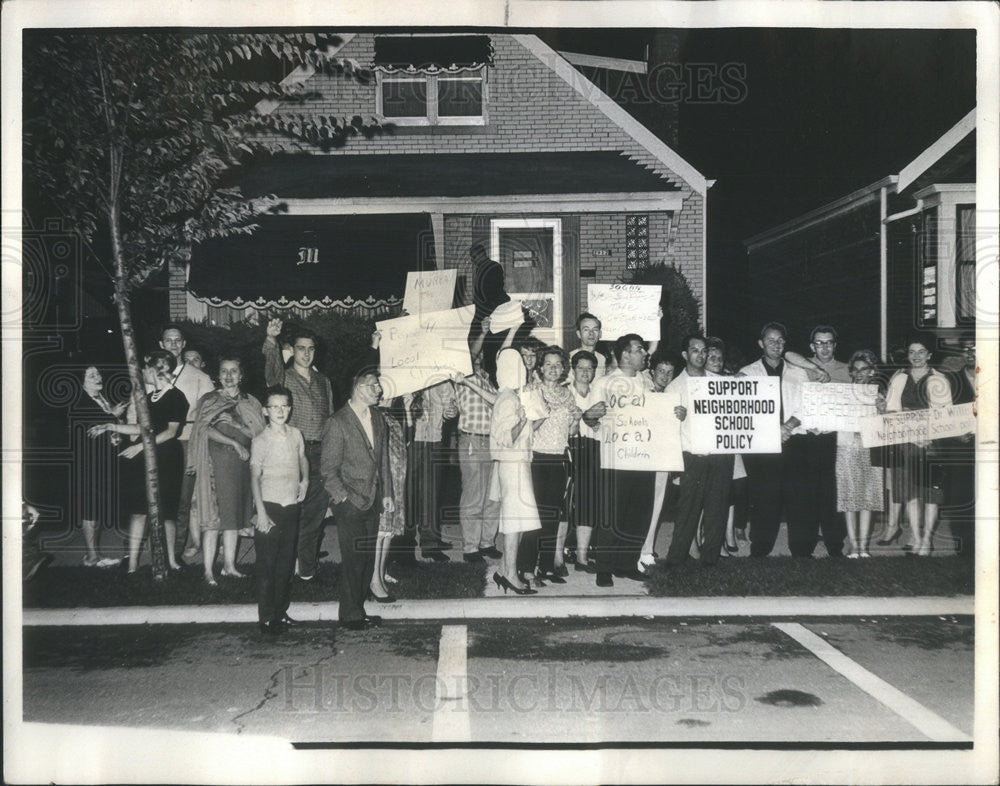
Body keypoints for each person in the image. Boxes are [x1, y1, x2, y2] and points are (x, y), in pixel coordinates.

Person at [89, 350, 188, 574]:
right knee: (138, 510)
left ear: (156, 369)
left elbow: (170, 432)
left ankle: (170, 560)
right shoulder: (150, 397)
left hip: (167, 458)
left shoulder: (176, 396)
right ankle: (132, 563)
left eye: (145, 368)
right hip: (146, 454)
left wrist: (140, 446)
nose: (142, 372)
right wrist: (110, 426)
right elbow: (142, 429)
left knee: (167, 512)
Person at [321, 366, 394, 630]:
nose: (379, 390)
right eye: (373, 386)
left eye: (378, 386)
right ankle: (350, 615)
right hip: (350, 502)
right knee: (353, 560)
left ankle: (357, 610)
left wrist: (386, 494)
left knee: (365, 558)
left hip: (373, 498)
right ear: (358, 388)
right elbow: (328, 470)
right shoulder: (338, 421)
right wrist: (342, 499)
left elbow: (382, 459)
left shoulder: (377, 418)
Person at [262, 318, 333, 581]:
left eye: (311, 348)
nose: (306, 353)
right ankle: (285, 564)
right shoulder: (284, 378)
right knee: (290, 510)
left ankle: (307, 569)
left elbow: (331, 419)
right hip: (292, 453)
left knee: (315, 512)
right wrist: (271, 341)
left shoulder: (323, 381)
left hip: (320, 453)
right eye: (301, 348)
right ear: (292, 350)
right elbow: (271, 373)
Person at [188, 355, 266, 585]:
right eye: (224, 371)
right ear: (218, 375)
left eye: (234, 371)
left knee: (233, 516)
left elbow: (260, 433)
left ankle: (229, 566)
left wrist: (242, 433)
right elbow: (203, 430)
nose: (229, 376)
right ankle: (208, 571)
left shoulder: (251, 401)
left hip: (241, 466)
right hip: (216, 463)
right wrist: (233, 442)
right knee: (214, 518)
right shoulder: (209, 399)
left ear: (241, 376)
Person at [738, 322, 811, 558]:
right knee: (764, 497)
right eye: (771, 340)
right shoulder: (747, 373)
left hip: (794, 440)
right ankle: (760, 548)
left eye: (780, 341)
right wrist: (772, 428)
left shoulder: (798, 373)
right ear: (761, 343)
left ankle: (801, 550)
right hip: (763, 444)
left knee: (797, 497)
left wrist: (788, 426)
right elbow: (744, 410)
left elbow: (806, 404)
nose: (776, 345)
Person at [588, 334, 656, 587]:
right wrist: (592, 416)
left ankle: (626, 564)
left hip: (643, 457)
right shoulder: (605, 383)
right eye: (640, 349)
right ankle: (603, 568)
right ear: (625, 354)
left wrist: (675, 413)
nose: (644, 354)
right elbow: (590, 421)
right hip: (614, 459)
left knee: (638, 513)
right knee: (612, 515)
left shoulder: (647, 383)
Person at [665, 335, 736, 567]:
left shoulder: (720, 382)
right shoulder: (674, 387)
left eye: (704, 350)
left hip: (719, 456)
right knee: (687, 513)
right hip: (692, 458)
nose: (701, 355)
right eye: (695, 350)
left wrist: (741, 385)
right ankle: (675, 561)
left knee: (717, 511)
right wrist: (675, 418)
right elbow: (665, 428)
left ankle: (710, 561)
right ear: (685, 355)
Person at [781, 325, 849, 558]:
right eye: (819, 343)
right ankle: (801, 548)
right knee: (802, 496)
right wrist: (816, 369)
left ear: (835, 345)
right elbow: (786, 353)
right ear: (812, 347)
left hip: (833, 439)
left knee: (831, 495)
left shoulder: (846, 370)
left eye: (828, 342)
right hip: (804, 439)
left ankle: (834, 546)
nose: (824, 347)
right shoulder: (801, 364)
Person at [885, 337, 954, 556]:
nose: (916, 356)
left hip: (931, 443)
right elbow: (891, 411)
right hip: (906, 443)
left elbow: (945, 414)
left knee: (931, 494)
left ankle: (926, 541)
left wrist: (928, 435)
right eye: (912, 352)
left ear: (929, 355)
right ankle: (915, 537)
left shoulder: (939, 379)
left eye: (921, 351)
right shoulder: (899, 378)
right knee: (910, 493)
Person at [250, 386, 308, 636]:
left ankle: (280, 613)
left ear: (290, 408)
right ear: (265, 411)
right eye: (274, 406)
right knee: (267, 564)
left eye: (284, 405)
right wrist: (261, 512)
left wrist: (305, 480)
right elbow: (254, 477)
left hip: (290, 505)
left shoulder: (296, 434)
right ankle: (266, 617)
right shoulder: (260, 440)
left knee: (285, 564)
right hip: (269, 506)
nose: (280, 411)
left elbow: (303, 457)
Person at [522, 345, 581, 585]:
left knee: (552, 516)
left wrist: (576, 421)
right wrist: (542, 413)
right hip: (535, 458)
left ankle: (546, 567)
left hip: (559, 458)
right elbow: (524, 429)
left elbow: (570, 431)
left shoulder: (568, 394)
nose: (553, 369)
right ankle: (526, 568)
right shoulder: (531, 390)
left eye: (558, 364)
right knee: (533, 516)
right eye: (548, 364)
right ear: (540, 367)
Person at [158, 325, 216, 564]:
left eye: (177, 340)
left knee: (180, 500)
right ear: (161, 345)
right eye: (168, 340)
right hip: (157, 442)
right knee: (157, 498)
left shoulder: (200, 377)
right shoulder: (151, 373)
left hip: (185, 442)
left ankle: (175, 553)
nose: (173, 344)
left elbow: (213, 412)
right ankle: (158, 551)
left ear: (183, 344)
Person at [490, 347, 541, 595]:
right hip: (512, 465)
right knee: (514, 519)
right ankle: (510, 574)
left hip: (520, 463)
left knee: (521, 519)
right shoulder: (508, 399)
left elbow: (526, 431)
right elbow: (505, 438)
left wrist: (534, 417)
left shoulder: (513, 396)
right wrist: (524, 419)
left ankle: (504, 569)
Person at [834, 350, 884, 558]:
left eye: (864, 369)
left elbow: (888, 423)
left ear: (872, 371)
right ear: (851, 372)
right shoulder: (842, 394)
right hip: (846, 446)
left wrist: (883, 409)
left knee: (869, 497)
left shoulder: (879, 395)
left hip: (871, 447)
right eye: (856, 369)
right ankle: (853, 545)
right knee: (848, 496)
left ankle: (863, 547)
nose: (860, 373)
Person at [75, 366, 126, 567]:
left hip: (104, 462)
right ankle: (92, 556)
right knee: (90, 510)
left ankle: (94, 554)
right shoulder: (82, 402)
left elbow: (109, 427)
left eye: (98, 374)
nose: (98, 377)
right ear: (82, 382)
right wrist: (114, 415)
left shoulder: (101, 398)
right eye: (91, 375)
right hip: (90, 464)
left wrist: (115, 417)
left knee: (97, 510)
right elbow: (94, 428)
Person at [453, 351, 502, 563]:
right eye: (475, 353)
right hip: (472, 440)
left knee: (493, 496)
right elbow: (452, 406)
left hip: (493, 441)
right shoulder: (458, 377)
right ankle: (470, 546)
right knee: (474, 494)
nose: (479, 355)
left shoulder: (489, 380)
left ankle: (487, 542)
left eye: (482, 353)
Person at [401, 380, 458, 562]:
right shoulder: (405, 374)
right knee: (407, 492)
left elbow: (452, 407)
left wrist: (451, 412)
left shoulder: (442, 379)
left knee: (431, 492)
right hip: (410, 440)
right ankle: (404, 543)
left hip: (434, 439)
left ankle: (430, 543)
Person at [567, 351, 607, 572]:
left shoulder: (598, 394)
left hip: (591, 449)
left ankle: (582, 557)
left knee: (587, 503)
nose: (585, 372)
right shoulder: (565, 392)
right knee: (564, 505)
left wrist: (592, 422)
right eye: (580, 368)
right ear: (573, 370)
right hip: (567, 449)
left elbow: (602, 428)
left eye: (589, 368)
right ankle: (558, 554)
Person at [707, 337, 747, 553]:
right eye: (711, 356)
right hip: (707, 448)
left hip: (729, 445)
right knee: (714, 493)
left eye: (719, 357)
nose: (716, 360)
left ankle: (729, 532)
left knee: (734, 488)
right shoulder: (698, 382)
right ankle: (714, 538)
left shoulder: (731, 381)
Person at [568, 313, 612, 380]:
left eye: (595, 330)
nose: (591, 333)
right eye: (586, 329)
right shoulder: (569, 358)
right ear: (579, 334)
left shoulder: (602, 358)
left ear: (600, 334)